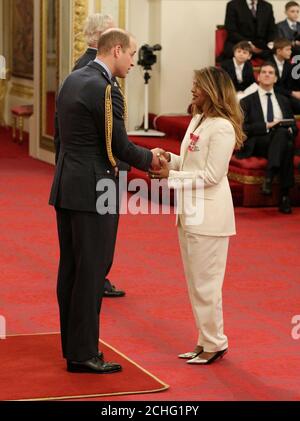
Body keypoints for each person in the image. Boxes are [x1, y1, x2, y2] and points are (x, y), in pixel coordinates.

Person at [49, 28, 164, 373]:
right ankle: (84, 354)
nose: (132, 61)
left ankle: (74, 346)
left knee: (71, 268)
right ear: (116, 50)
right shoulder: (104, 89)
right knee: (92, 272)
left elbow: (61, 137)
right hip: (95, 191)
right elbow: (119, 146)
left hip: (68, 185)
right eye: (130, 54)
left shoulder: (72, 78)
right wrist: (152, 159)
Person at [150, 67, 244, 364]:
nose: (192, 90)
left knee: (207, 285)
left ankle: (216, 342)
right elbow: (191, 162)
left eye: (198, 86)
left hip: (210, 216)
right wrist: (170, 160)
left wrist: (170, 177)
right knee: (196, 284)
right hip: (189, 212)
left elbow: (213, 175)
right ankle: (205, 340)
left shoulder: (223, 127)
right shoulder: (198, 119)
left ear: (213, 91)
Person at [56, 13, 125, 298]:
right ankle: (98, 278)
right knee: (98, 238)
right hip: (97, 170)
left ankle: (98, 275)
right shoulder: (90, 70)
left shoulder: (89, 69)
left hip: (89, 168)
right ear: (101, 36)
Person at [237, 63, 297, 214]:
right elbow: (243, 129)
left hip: (279, 141)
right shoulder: (247, 101)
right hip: (259, 141)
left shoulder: (283, 100)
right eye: (263, 72)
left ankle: (271, 179)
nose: (267, 75)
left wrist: (289, 128)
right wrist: (268, 125)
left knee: (285, 139)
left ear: (276, 78)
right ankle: (284, 196)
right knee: (286, 144)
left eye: (271, 72)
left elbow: (294, 125)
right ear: (258, 77)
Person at [269, 38, 300, 114]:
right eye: (288, 50)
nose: (291, 52)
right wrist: (292, 93)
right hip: (271, 93)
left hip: (285, 94)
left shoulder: (288, 64)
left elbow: (290, 83)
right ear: (279, 51)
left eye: (290, 49)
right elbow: (270, 86)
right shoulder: (268, 63)